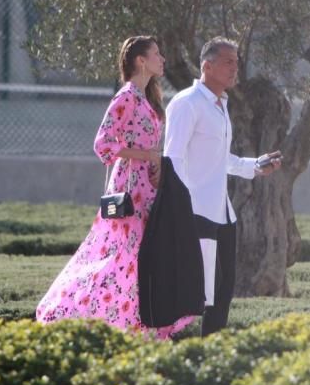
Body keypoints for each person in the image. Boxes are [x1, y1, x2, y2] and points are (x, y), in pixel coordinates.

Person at [36, 36, 195, 339]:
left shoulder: (146, 97)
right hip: (129, 187)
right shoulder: (125, 97)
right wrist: (147, 156)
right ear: (140, 60)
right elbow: (103, 144)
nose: (162, 59)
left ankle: (139, 323)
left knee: (146, 256)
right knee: (127, 256)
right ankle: (76, 310)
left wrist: (155, 163)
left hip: (147, 185)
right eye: (156, 54)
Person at [164, 37, 281, 336]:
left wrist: (254, 166)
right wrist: (176, 208)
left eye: (237, 62)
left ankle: (212, 355)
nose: (235, 68)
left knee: (221, 293)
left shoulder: (220, 105)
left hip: (223, 215)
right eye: (229, 62)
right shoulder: (187, 103)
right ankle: (178, 359)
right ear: (207, 65)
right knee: (194, 295)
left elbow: (220, 159)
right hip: (195, 213)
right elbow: (173, 158)